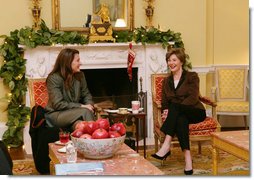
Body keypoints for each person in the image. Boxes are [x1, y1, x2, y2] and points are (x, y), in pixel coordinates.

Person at [151, 48, 206, 175]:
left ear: (181, 61)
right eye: (169, 60)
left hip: (195, 111)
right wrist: (166, 110)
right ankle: (188, 159)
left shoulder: (192, 76)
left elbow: (193, 98)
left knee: (175, 107)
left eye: (174, 60)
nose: (171, 63)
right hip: (180, 115)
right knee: (180, 119)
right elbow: (165, 101)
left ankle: (166, 145)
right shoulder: (167, 81)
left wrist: (171, 110)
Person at [45, 48, 95, 131]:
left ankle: (84, 142)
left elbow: (86, 94)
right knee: (85, 111)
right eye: (78, 60)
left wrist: (89, 105)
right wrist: (82, 106)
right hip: (56, 115)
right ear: (68, 62)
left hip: (74, 113)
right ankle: (97, 140)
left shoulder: (80, 75)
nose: (80, 63)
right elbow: (58, 104)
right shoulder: (53, 78)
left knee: (79, 124)